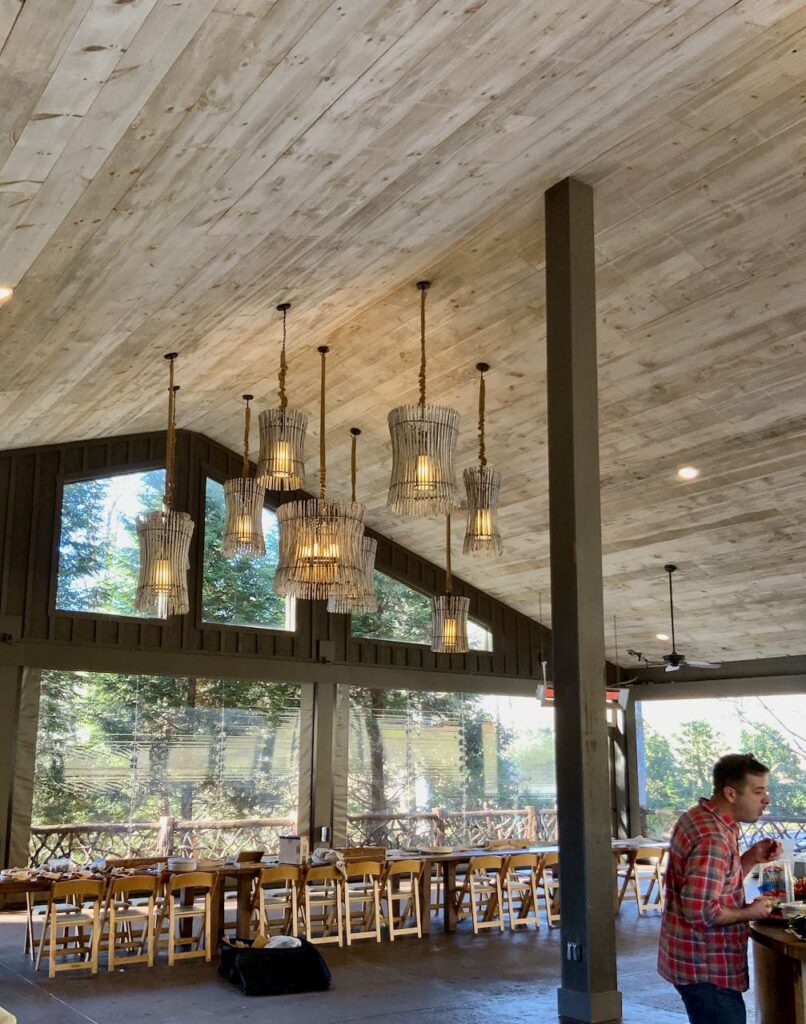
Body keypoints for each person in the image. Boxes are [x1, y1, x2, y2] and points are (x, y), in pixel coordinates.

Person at [658, 752, 782, 1024]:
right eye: (758, 791)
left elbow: (717, 882)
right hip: (707, 970)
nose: (766, 799)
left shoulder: (700, 817)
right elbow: (702, 912)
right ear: (730, 793)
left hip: (693, 961)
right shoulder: (713, 838)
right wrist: (752, 912)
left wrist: (750, 858)